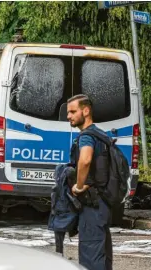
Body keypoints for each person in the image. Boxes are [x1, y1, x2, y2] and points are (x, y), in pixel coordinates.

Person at [67, 94, 113, 270]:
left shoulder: (87, 136)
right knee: (102, 255)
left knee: (90, 258)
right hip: (103, 203)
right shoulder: (101, 135)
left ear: (85, 111)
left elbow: (85, 160)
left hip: (92, 205)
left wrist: (78, 186)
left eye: (72, 111)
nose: (69, 116)